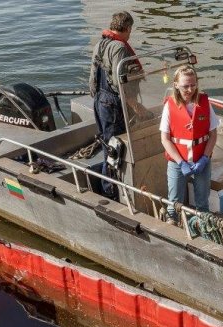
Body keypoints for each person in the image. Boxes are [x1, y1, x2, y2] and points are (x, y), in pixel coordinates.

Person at [88, 11, 140, 200]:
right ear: (127, 28)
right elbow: (121, 82)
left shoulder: (99, 43)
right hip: (112, 104)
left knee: (106, 144)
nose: (130, 35)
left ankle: (109, 185)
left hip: (100, 101)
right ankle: (110, 190)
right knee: (114, 149)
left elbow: (93, 79)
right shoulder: (119, 48)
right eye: (130, 31)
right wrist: (135, 106)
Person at [160, 65, 219, 223]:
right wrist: (181, 162)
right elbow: (165, 139)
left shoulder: (205, 103)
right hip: (177, 161)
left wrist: (205, 158)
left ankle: (202, 226)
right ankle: (172, 224)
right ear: (176, 85)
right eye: (185, 86)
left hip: (201, 159)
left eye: (193, 85)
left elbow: (213, 135)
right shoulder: (169, 106)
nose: (190, 89)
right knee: (174, 202)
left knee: (202, 202)